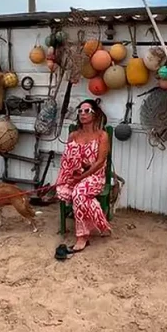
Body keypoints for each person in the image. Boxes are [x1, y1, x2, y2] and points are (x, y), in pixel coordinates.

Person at [55, 98, 111, 252]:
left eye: (87, 110)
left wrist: (82, 177)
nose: (82, 113)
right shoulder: (73, 135)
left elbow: (100, 162)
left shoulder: (102, 136)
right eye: (80, 111)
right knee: (69, 191)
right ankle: (101, 224)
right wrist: (70, 176)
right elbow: (67, 160)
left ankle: (82, 237)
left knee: (79, 193)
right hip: (77, 175)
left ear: (95, 114)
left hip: (95, 177)